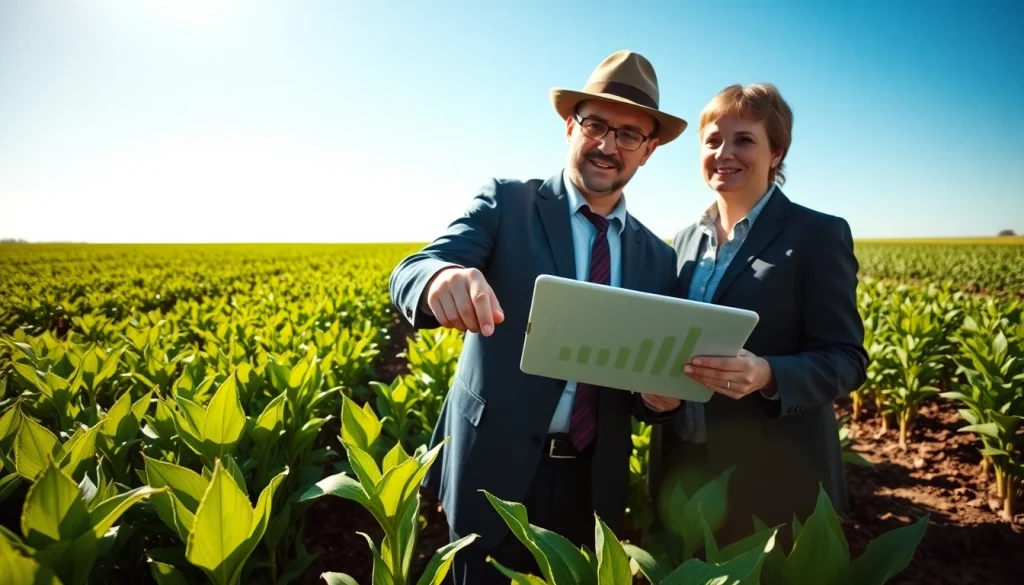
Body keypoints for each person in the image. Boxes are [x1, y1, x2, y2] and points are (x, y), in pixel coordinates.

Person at [389, 50, 687, 584]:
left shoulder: (656, 258)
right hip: (493, 467)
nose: (607, 145)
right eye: (595, 124)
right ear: (570, 125)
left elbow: (645, 385)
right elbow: (417, 267)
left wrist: (658, 401)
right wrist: (439, 280)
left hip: (592, 482)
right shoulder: (507, 203)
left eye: (628, 134)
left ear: (649, 150)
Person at [648, 82, 868, 549]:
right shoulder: (684, 241)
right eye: (712, 140)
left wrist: (769, 374)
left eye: (744, 139)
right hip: (683, 467)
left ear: (777, 152)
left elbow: (846, 358)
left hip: (773, 474)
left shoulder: (818, 235)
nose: (724, 152)